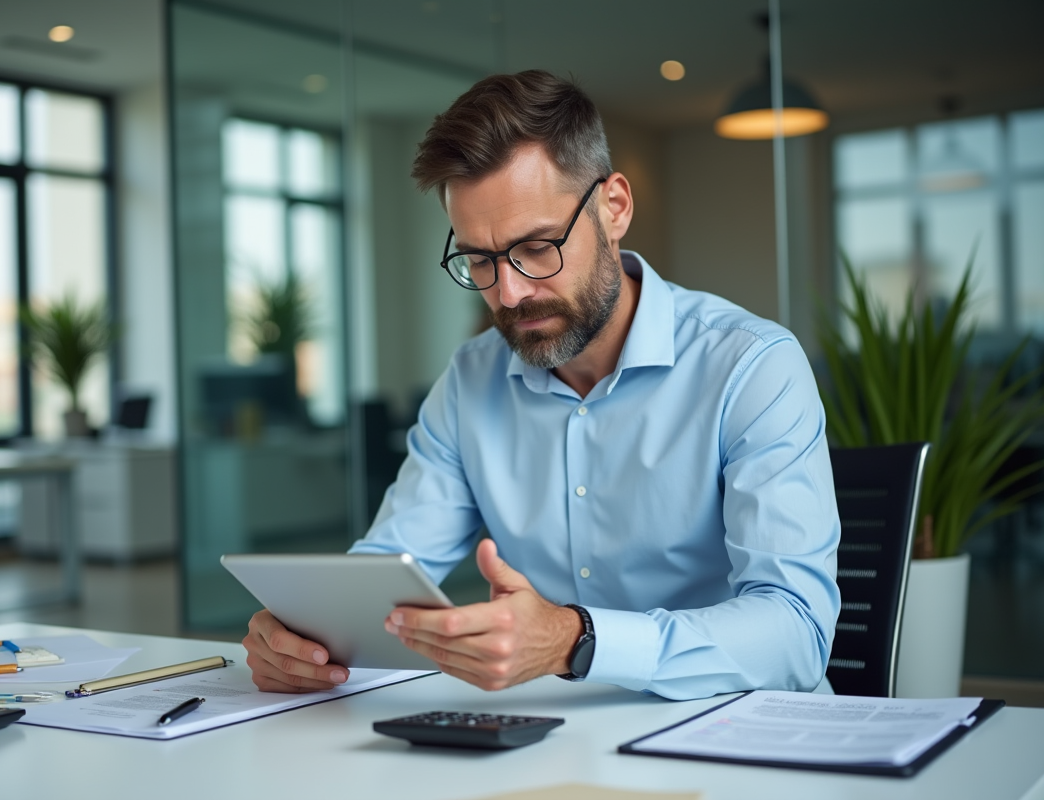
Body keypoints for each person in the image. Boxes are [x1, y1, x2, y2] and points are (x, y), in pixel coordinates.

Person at [243, 70, 840, 700]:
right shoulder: (471, 380)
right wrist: (302, 631)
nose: (509, 292)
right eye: (479, 259)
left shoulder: (752, 367)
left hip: (737, 738)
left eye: (536, 247)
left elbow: (796, 633)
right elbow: (387, 568)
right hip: (555, 738)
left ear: (614, 208)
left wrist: (574, 640)